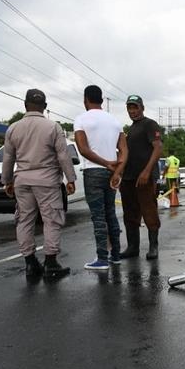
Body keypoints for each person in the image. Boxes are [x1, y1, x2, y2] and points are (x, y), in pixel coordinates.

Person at [1, 89, 75, 280]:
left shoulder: (13, 128)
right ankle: (51, 263)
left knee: (24, 220)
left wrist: (7, 181)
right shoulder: (53, 127)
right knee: (51, 220)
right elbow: (62, 155)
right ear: (45, 107)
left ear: (25, 105)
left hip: (22, 181)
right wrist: (71, 179)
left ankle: (30, 263)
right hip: (47, 181)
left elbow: (8, 157)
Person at [74, 85, 127, 271]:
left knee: (98, 216)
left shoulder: (81, 119)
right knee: (110, 213)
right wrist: (117, 170)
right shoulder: (115, 121)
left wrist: (105, 163)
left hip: (93, 171)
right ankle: (116, 255)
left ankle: (102, 258)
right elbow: (124, 150)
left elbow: (83, 149)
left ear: (85, 99)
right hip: (112, 172)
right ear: (102, 100)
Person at [119, 95, 163, 260]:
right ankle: (132, 247)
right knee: (130, 214)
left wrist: (146, 172)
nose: (132, 111)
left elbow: (158, 148)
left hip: (144, 178)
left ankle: (153, 248)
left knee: (149, 211)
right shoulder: (132, 128)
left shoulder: (149, 124)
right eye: (129, 108)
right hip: (128, 178)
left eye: (135, 107)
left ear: (142, 108)